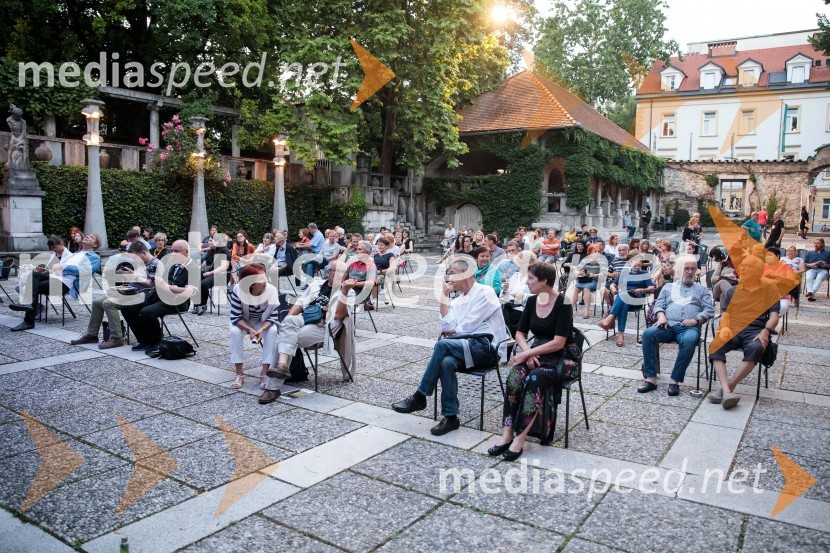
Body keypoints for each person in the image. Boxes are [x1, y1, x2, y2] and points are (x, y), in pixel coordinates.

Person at [391, 258, 508, 435]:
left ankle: (420, 396)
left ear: (465, 273)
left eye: (452, 273)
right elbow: (447, 327)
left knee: (442, 345)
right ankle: (451, 416)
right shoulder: (458, 301)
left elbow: (467, 327)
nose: (449, 277)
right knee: (446, 362)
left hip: (488, 349)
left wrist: (454, 332)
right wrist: (444, 297)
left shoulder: (486, 292)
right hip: (465, 347)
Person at [490, 262, 575, 460]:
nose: (527, 282)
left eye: (530, 278)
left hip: (560, 358)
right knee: (514, 377)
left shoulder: (563, 303)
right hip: (535, 352)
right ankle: (507, 433)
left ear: (544, 281)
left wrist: (528, 354)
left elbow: (559, 342)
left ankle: (520, 438)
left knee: (535, 379)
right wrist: (527, 352)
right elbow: (520, 333)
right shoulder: (531, 301)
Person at [260, 263, 357, 403]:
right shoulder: (316, 284)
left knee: (285, 339)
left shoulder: (349, 292)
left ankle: (272, 388)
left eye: (343, 273)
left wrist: (345, 292)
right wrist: (288, 320)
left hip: (324, 326)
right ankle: (282, 366)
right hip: (305, 318)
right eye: (336, 271)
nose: (339, 275)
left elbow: (339, 315)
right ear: (328, 272)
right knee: (289, 323)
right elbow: (300, 303)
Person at [708, 256, 780, 409]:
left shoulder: (770, 290)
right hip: (733, 329)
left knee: (756, 348)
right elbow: (726, 315)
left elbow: (774, 317)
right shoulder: (732, 291)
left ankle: (728, 387)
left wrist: (766, 331)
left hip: (755, 330)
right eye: (743, 268)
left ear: (758, 272)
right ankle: (727, 391)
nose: (744, 270)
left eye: (748, 268)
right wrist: (724, 328)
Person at [639, 258, 714, 396]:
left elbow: (709, 310)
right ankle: (651, 378)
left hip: (689, 327)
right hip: (667, 326)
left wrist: (696, 320)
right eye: (686, 268)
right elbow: (658, 305)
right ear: (679, 270)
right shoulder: (668, 287)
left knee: (690, 340)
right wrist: (661, 317)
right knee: (648, 334)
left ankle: (674, 381)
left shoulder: (702, 290)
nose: (689, 272)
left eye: (692, 269)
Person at [71, 241, 158, 349]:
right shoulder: (139, 263)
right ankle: (91, 335)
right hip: (128, 291)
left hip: (142, 296)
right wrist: (125, 276)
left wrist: (136, 277)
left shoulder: (156, 264)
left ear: (143, 253)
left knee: (108, 303)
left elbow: (154, 286)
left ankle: (117, 338)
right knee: (97, 302)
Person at [11, 234, 102, 331]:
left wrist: (63, 267)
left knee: (33, 286)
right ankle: (28, 306)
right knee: (33, 275)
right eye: (88, 236)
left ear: (95, 245)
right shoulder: (76, 254)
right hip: (55, 278)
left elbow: (85, 270)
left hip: (65, 284)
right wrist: (49, 271)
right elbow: (61, 269)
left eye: (92, 237)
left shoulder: (94, 257)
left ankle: (28, 319)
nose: (88, 237)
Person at [121, 239, 196, 353]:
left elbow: (189, 292)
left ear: (186, 252)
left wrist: (166, 286)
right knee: (127, 307)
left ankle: (156, 342)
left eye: (176, 251)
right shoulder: (172, 264)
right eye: (171, 250)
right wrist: (155, 282)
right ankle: (144, 340)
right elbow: (161, 283)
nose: (172, 254)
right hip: (159, 296)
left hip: (178, 301)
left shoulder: (194, 268)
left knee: (147, 312)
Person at [229, 263, 280, 390]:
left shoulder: (271, 290)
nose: (266, 280)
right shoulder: (238, 289)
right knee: (234, 332)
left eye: (265, 276)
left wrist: (261, 330)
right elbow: (235, 317)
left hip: (263, 322)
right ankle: (239, 373)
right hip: (243, 321)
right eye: (261, 278)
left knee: (272, 331)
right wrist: (249, 329)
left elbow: (273, 317)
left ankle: (264, 373)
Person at [598, 258, 654, 346]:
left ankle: (609, 319)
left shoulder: (645, 273)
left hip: (637, 298)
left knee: (623, 296)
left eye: (640, 261)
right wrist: (613, 289)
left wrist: (641, 290)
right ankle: (620, 335)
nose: (638, 263)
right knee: (624, 299)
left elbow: (651, 288)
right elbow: (613, 284)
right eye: (635, 261)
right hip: (624, 299)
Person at [193, 234, 231, 315]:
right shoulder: (211, 251)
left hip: (221, 275)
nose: (208, 242)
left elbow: (224, 266)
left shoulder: (224, 251)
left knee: (203, 284)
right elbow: (203, 264)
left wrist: (210, 273)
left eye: (211, 240)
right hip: (209, 273)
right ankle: (197, 305)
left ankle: (202, 305)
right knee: (194, 280)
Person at [501, 251, 536, 337]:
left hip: (522, 308)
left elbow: (537, 297)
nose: (520, 265)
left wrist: (523, 295)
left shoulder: (534, 278)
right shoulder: (515, 275)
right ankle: (508, 337)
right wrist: (505, 290)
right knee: (501, 310)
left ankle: (508, 336)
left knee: (504, 314)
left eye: (523, 263)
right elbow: (503, 296)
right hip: (508, 305)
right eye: (519, 262)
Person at [571, 244, 603, 319]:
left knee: (586, 288)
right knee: (576, 288)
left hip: (595, 280)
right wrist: (580, 272)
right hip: (585, 279)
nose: (597, 253)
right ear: (589, 252)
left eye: (598, 252)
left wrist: (594, 275)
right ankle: (570, 309)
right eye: (595, 251)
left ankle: (586, 312)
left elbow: (604, 274)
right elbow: (577, 270)